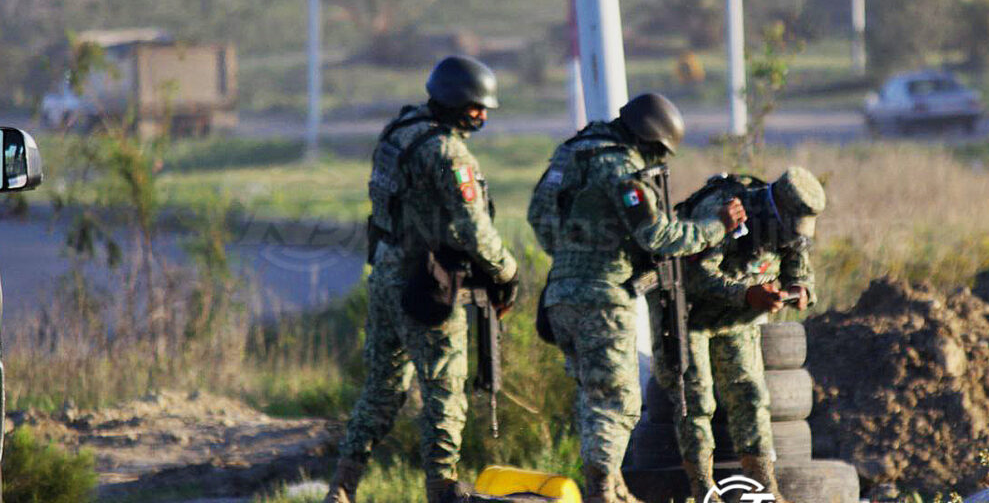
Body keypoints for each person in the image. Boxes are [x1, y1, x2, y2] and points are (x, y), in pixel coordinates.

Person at [527, 93, 747, 503]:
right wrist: (714, 227)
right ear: (648, 140)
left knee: (593, 396)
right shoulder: (621, 168)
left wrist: (575, 251)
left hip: (559, 295)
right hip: (603, 298)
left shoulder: (571, 152)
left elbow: (538, 218)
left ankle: (611, 484)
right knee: (620, 402)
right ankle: (600, 492)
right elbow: (657, 236)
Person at [325, 56, 520, 503]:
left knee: (382, 387)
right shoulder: (448, 152)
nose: (483, 116)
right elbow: (473, 228)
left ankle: (341, 486)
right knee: (444, 388)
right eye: (475, 108)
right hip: (428, 282)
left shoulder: (401, 129)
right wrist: (507, 271)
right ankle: (441, 489)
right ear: (453, 103)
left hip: (386, 272)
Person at [653, 167, 826, 503]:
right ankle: (702, 487)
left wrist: (800, 288)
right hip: (688, 317)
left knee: (750, 394)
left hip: (736, 319)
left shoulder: (790, 226)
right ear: (776, 206)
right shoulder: (724, 210)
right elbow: (695, 276)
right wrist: (747, 294)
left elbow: (799, 265)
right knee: (696, 400)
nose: (793, 236)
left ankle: (764, 487)